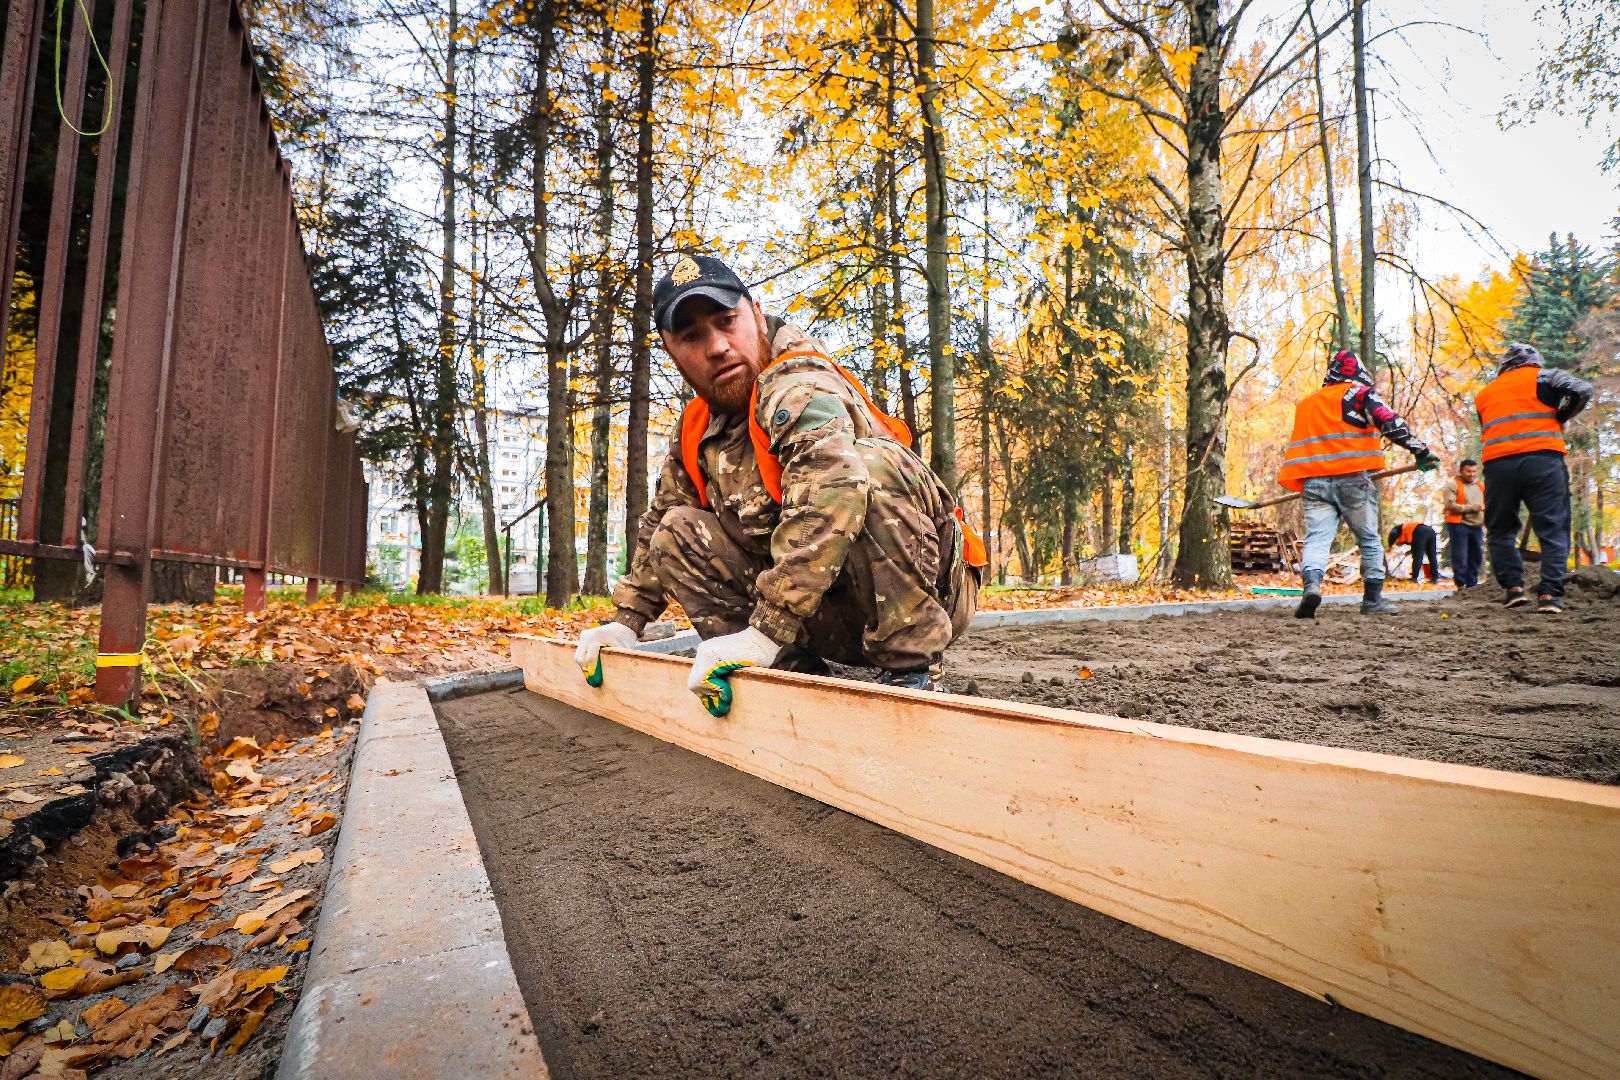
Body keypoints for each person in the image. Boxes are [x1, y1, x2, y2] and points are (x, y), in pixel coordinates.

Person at [574, 254, 986, 713]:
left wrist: (767, 627)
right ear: (673, 353)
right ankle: (792, 676)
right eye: (692, 337)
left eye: (727, 321)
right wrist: (626, 622)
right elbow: (658, 527)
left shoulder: (798, 384)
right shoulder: (696, 429)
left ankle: (909, 675)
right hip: (825, 610)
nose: (716, 347)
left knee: (864, 468)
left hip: (930, 593)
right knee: (677, 531)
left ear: (754, 315)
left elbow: (833, 482)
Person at [1280, 350, 1441, 619]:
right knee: (1368, 538)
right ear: (1357, 371)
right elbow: (1389, 420)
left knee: (1317, 538)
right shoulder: (1358, 394)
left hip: (1314, 482)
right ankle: (1373, 600)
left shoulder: (1308, 404)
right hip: (1352, 478)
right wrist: (1420, 451)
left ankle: (1311, 587)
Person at [1475, 342, 1593, 613]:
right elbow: (1583, 390)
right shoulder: (1545, 377)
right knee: (1553, 529)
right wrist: (1563, 414)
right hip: (1543, 461)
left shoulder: (1484, 394)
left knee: (1501, 529)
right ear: (1535, 361)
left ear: (1504, 366)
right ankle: (1549, 594)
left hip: (1498, 465)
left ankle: (1514, 589)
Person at [1443, 459, 1485, 588]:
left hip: (1476, 525)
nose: (1471, 474)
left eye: (1474, 471)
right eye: (1468, 471)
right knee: (1460, 555)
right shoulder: (1452, 485)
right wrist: (1471, 508)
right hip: (1458, 524)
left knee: (1477, 554)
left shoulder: (1480, 485)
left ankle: (1472, 584)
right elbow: (1449, 505)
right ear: (1461, 471)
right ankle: (1460, 584)